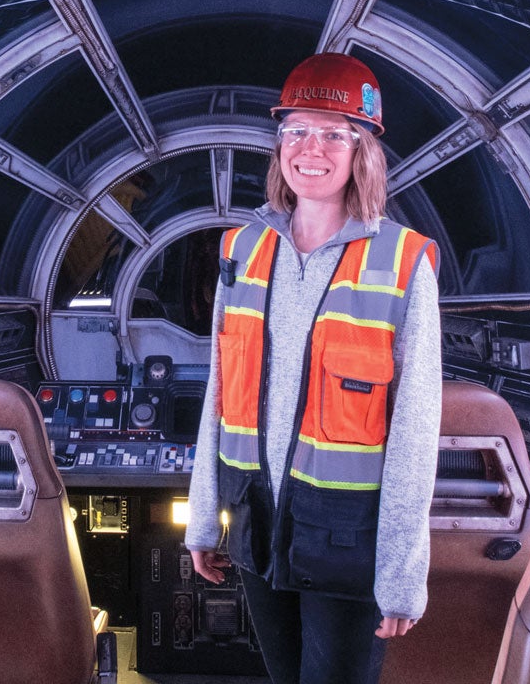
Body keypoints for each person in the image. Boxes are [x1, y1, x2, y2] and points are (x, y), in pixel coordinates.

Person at [183, 53, 441, 684]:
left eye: (333, 133)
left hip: (348, 535)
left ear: (363, 152)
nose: (311, 149)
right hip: (256, 519)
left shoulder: (404, 263)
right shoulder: (241, 249)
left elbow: (415, 429)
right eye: (296, 130)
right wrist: (202, 516)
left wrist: (402, 575)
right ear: (279, 148)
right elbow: (220, 389)